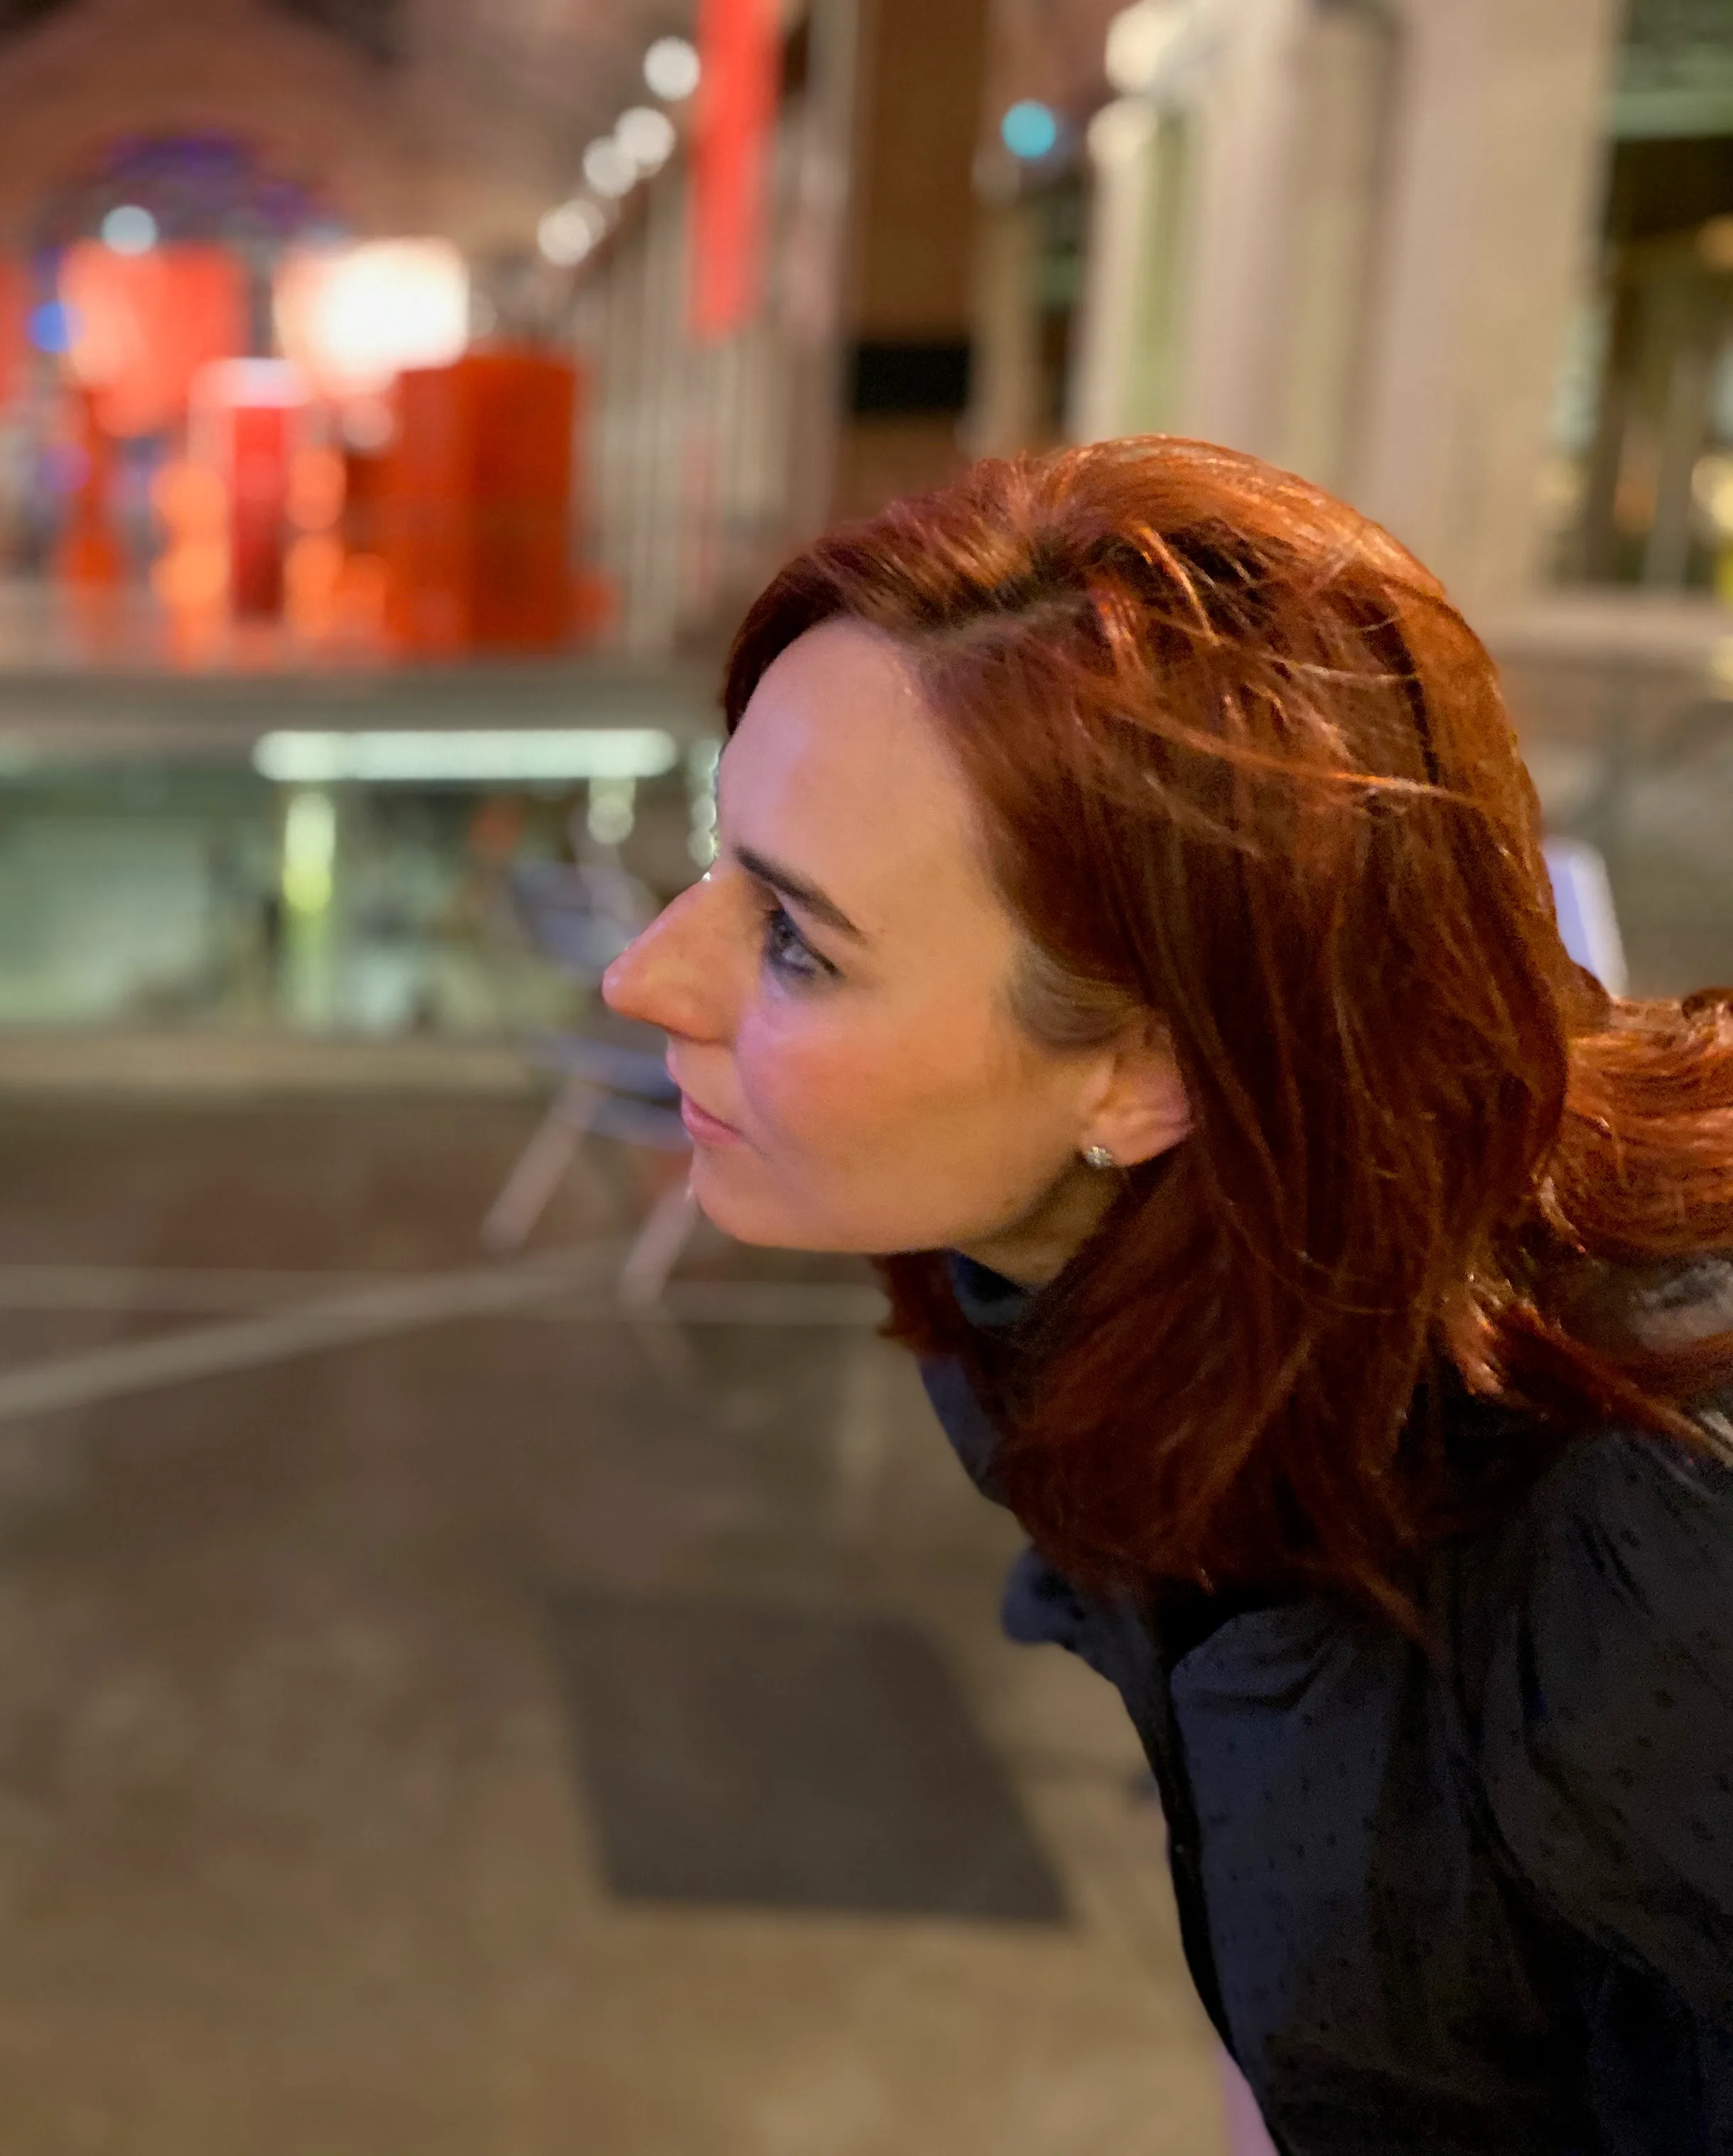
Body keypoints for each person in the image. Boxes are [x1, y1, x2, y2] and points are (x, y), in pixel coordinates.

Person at [603, 437, 1733, 2155]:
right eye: (719, 859)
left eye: (798, 944)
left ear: (1150, 1069)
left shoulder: (1653, 1548)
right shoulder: (1049, 1272)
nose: (642, 975)